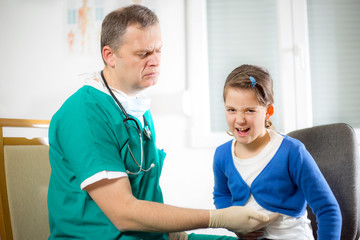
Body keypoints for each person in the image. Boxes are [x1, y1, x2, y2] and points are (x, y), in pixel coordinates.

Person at [47, 5, 278, 240]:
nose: (156, 61)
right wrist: (217, 218)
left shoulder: (134, 106)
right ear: (109, 55)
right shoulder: (85, 114)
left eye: (158, 50)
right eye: (143, 54)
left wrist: (175, 231)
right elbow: (123, 213)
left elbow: (143, 193)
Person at [212, 64, 342, 240]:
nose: (240, 119)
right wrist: (233, 224)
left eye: (250, 110)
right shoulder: (222, 155)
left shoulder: (292, 152)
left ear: (268, 112)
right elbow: (222, 195)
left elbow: (328, 210)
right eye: (231, 110)